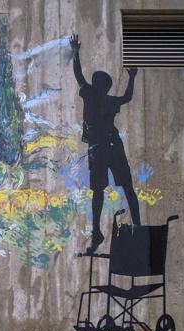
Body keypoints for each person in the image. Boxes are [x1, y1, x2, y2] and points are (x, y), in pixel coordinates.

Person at [70, 34, 141, 254]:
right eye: (98, 81)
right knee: (103, 190)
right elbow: (79, 75)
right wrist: (75, 53)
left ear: (104, 85)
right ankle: (101, 233)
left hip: (106, 147)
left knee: (115, 188)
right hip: (102, 148)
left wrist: (132, 78)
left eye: (101, 81)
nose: (98, 83)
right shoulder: (95, 95)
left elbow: (80, 76)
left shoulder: (94, 95)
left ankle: (135, 227)